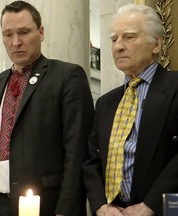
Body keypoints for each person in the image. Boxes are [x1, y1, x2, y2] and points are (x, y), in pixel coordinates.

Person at [0, 1, 94, 215]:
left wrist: (67, 210)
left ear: (41, 32)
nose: (16, 42)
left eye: (24, 32)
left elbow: (77, 152)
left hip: (44, 204)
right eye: (7, 34)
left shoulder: (66, 77)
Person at [83, 4, 178, 216]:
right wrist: (100, 206)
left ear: (156, 44)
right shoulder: (106, 102)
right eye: (114, 39)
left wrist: (151, 206)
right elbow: (91, 160)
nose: (118, 46)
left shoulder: (175, 88)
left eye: (129, 37)